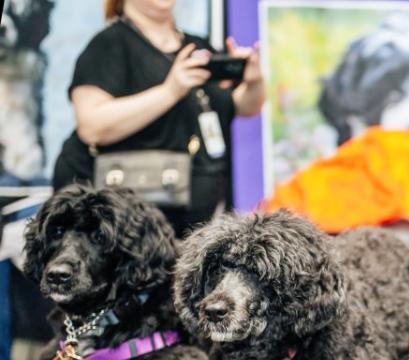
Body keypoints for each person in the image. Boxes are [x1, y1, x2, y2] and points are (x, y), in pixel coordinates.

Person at [53, 0, 265, 236]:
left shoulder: (198, 46)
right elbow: (91, 126)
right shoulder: (109, 44)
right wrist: (170, 91)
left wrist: (254, 79)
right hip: (124, 232)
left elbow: (243, 106)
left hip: (187, 227)